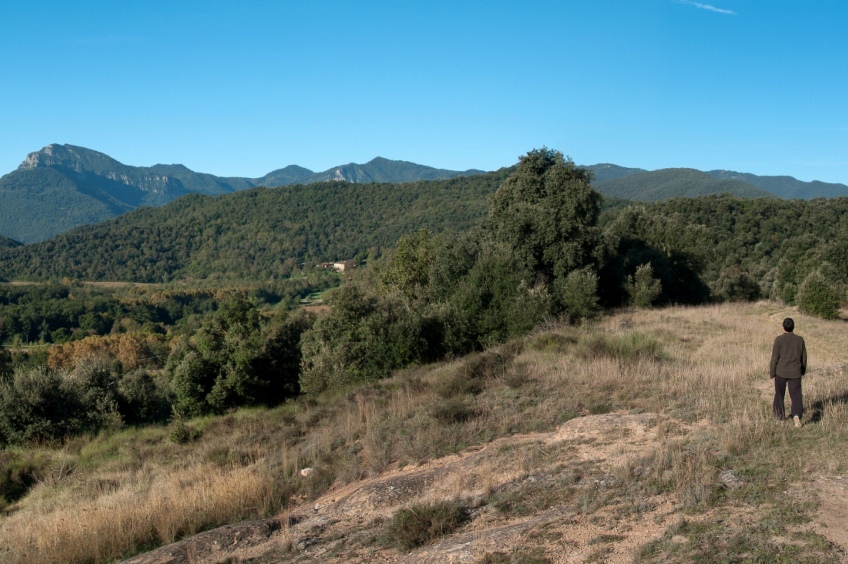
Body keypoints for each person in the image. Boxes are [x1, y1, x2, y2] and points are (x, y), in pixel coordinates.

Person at [769, 317, 807, 427]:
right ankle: (796, 415)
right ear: (793, 327)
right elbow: (804, 358)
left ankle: (779, 417)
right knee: (796, 395)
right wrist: (802, 370)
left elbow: (774, 358)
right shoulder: (800, 340)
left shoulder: (779, 340)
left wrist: (772, 373)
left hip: (781, 371)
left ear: (783, 327)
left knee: (779, 394)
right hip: (795, 372)